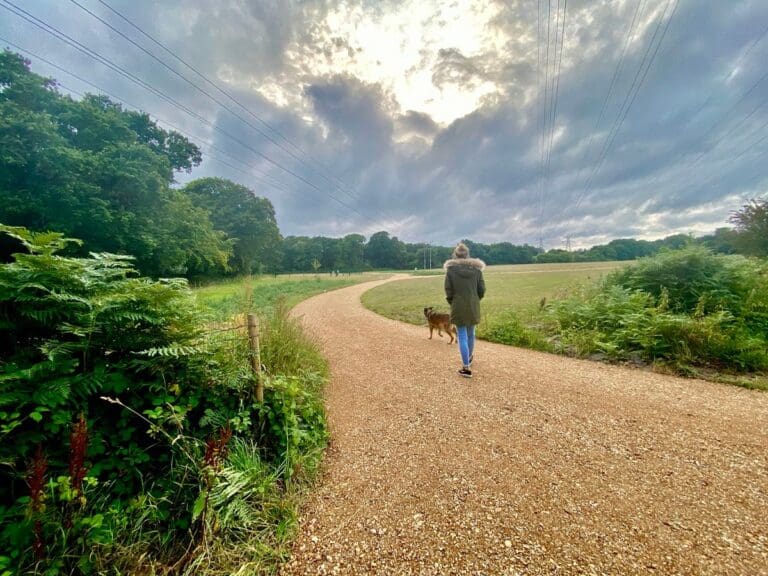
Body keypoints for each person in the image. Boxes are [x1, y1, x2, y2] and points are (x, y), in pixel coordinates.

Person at [443, 242, 485, 378]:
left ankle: (466, 367)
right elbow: (482, 290)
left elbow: (448, 290)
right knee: (471, 333)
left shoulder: (451, 270)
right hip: (473, 305)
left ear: (455, 255)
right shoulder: (477, 270)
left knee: (461, 335)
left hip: (458, 304)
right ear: (467, 255)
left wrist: (453, 302)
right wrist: (475, 299)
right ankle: (469, 358)